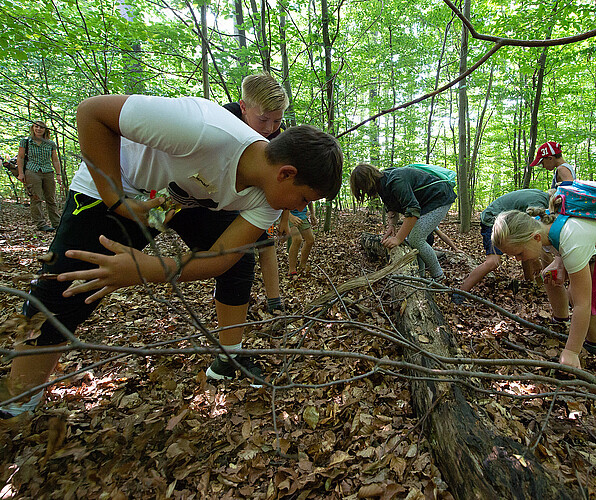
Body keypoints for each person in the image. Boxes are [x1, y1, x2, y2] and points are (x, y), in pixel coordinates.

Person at [1, 94, 342, 417]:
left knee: (240, 262)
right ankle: (17, 405)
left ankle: (227, 360)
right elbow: (92, 112)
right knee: (67, 288)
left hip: (172, 202)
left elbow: (221, 257)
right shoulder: (201, 129)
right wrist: (117, 199)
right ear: (286, 174)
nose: (302, 209)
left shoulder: (267, 198)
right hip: (121, 185)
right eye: (305, 199)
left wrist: (144, 269)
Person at [492, 203, 596, 369]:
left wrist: (571, 351)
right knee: (549, 275)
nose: (517, 259)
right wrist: (559, 261)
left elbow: (583, 303)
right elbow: (560, 238)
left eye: (519, 254)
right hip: (592, 240)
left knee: (577, 294)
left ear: (536, 238)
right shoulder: (536, 224)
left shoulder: (571, 241)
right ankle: (561, 320)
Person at [224, 72, 289, 313]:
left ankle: (274, 302)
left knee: (266, 244)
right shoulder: (223, 120)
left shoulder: (276, 136)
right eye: (263, 120)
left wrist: (283, 218)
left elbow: (283, 185)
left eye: (277, 121)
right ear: (243, 107)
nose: (270, 128)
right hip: (217, 195)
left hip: (254, 199)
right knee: (236, 258)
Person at [453, 189, 561, 307]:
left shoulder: (540, 197)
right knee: (493, 262)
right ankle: (460, 293)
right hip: (494, 220)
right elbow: (530, 236)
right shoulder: (540, 203)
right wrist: (536, 261)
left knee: (524, 250)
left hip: (504, 221)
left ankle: (529, 283)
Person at [350, 163, 456, 280]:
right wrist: (392, 226)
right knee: (414, 239)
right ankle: (421, 276)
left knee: (416, 239)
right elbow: (392, 208)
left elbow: (413, 211)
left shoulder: (396, 180)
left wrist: (398, 239)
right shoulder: (383, 185)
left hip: (440, 196)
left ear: (367, 183)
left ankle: (438, 276)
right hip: (426, 203)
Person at [17, 121, 63, 232]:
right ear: (33, 128)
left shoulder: (50, 143)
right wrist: (21, 173)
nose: (38, 129)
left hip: (47, 171)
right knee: (36, 198)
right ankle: (41, 224)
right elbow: (21, 157)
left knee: (51, 199)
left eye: (41, 127)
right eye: (36, 127)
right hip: (32, 171)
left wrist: (58, 174)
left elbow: (55, 160)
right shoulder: (26, 141)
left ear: (45, 130)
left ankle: (56, 223)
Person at [287, 203, 316, 277]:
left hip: (302, 217)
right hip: (288, 216)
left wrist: (312, 214)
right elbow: (281, 204)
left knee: (310, 240)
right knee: (297, 239)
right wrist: (290, 217)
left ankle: (302, 265)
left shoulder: (309, 192)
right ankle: (292, 269)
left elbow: (309, 202)